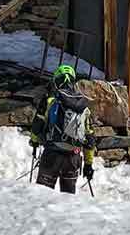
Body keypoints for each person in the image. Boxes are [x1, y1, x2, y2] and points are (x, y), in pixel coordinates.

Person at [27, 64, 96, 194]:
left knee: (42, 195)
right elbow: (90, 138)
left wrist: (35, 142)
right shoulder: (83, 107)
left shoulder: (50, 101)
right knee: (68, 199)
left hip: (51, 155)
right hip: (73, 157)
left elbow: (37, 125)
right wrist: (88, 164)